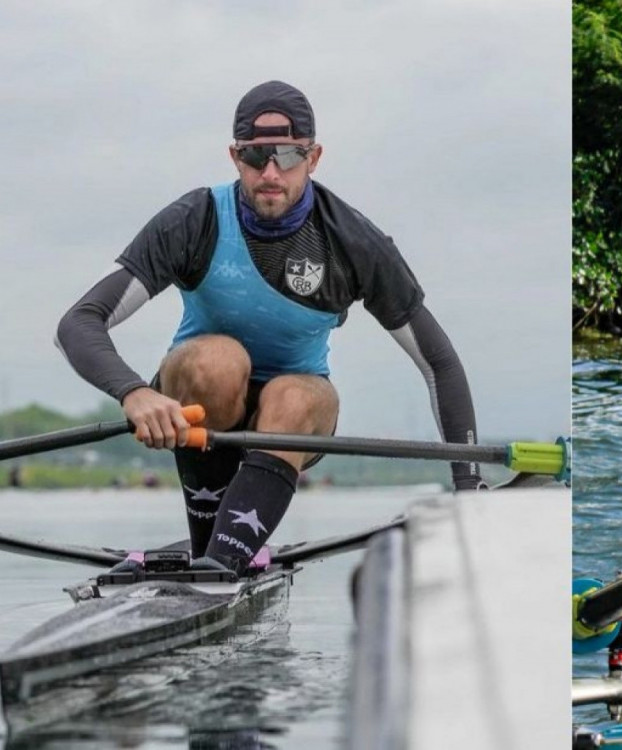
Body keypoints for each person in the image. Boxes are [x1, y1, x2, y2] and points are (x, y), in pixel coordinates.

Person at [57, 80, 484, 575]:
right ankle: (215, 554)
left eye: (288, 155)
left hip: (295, 416)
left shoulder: (355, 242)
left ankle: (221, 556)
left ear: (314, 156)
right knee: (214, 362)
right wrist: (133, 393)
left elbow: (439, 363)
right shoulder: (195, 219)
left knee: (292, 395)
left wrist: (469, 485)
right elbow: (79, 321)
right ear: (235, 157)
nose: (272, 172)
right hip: (198, 406)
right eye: (256, 157)